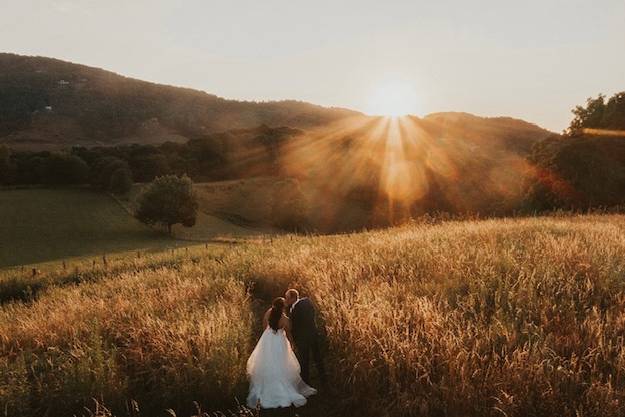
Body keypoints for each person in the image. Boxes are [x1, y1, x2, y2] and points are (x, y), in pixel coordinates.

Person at [246, 297, 317, 409]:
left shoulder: (268, 312)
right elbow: (288, 333)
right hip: (279, 341)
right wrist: (292, 344)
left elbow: (264, 325)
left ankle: (266, 385)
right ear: (283, 307)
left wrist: (268, 334)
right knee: (281, 362)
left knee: (267, 360)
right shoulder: (284, 319)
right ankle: (282, 387)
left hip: (268, 339)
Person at [284, 289, 326, 385]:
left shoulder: (297, 308)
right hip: (313, 334)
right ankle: (322, 378)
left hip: (303, 338)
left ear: (293, 298)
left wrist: (293, 339)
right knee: (317, 357)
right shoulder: (306, 302)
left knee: (304, 360)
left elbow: (295, 326)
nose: (286, 300)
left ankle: (306, 382)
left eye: (287, 298)